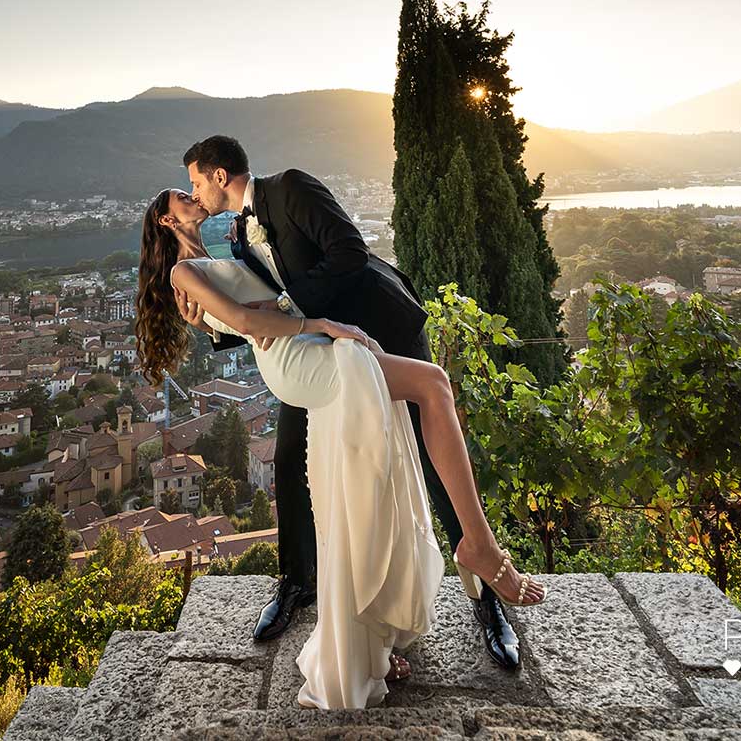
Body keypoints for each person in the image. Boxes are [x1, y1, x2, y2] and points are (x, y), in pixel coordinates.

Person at [137, 183, 542, 710]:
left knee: (366, 478)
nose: (192, 196)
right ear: (168, 223)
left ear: (220, 175)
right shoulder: (184, 272)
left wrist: (297, 321)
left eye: (193, 186)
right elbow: (247, 320)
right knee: (429, 390)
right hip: (303, 353)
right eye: (181, 197)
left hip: (317, 340)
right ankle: (475, 550)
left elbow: (285, 289)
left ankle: (370, 644)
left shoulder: (255, 221)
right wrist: (318, 324)